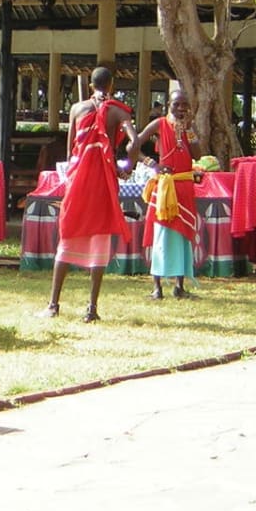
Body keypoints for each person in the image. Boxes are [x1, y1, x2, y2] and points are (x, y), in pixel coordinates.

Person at [39, 67, 141, 323]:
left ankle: (53, 305)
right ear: (112, 84)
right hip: (104, 181)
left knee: (69, 234)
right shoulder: (119, 111)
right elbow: (135, 140)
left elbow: (71, 150)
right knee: (100, 240)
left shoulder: (76, 108)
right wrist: (127, 167)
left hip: (79, 180)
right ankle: (91, 308)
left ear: (92, 84)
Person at [137, 89, 203, 300]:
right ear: (169, 106)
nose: (181, 109)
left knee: (184, 235)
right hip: (165, 188)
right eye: (177, 104)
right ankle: (157, 287)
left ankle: (179, 287)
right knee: (161, 235)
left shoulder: (188, 129)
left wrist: (190, 130)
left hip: (184, 186)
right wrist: (152, 164)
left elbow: (199, 154)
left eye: (185, 105)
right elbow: (133, 146)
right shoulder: (159, 124)